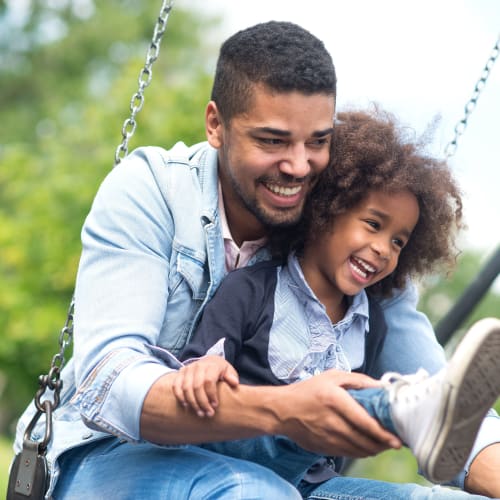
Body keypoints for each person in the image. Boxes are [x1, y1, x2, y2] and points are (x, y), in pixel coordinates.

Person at [11, 21, 500, 499]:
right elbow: (109, 384)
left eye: (318, 141)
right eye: (272, 140)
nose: (298, 166)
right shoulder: (152, 190)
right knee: (253, 488)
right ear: (216, 125)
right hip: (114, 457)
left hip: (288, 475)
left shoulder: (341, 228)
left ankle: (390, 410)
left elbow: (452, 412)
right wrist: (284, 409)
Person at [170, 108, 500, 488]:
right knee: (311, 411)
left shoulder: (371, 323)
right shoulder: (252, 289)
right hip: (234, 459)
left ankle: (416, 413)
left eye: (398, 242)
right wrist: (205, 367)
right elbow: (199, 367)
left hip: (312, 485)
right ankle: (408, 409)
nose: (383, 249)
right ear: (326, 208)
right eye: (373, 225)